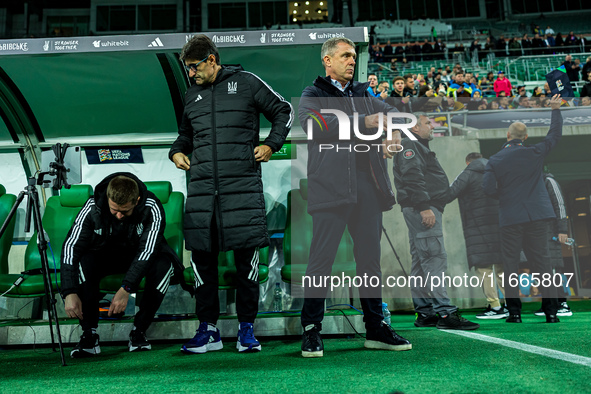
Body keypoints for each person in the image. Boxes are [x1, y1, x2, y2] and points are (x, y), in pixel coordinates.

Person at [169, 34, 293, 354]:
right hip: (201, 195)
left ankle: (246, 330)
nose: (190, 74)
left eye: (194, 67)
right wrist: (177, 152)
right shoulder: (191, 95)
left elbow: (283, 110)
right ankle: (207, 330)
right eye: (186, 69)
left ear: (212, 60)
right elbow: (185, 136)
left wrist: (271, 144)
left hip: (242, 191)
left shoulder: (247, 82)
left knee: (246, 264)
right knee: (202, 264)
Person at [298, 36, 411, 358]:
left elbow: (392, 112)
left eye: (353, 56)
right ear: (328, 61)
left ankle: (375, 328)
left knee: (369, 263)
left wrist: (393, 132)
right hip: (331, 188)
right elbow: (312, 124)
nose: (351, 61)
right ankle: (311, 330)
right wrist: (364, 122)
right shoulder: (313, 94)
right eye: (345, 55)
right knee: (320, 262)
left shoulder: (364, 93)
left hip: (368, 188)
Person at [61, 173, 183, 357]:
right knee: (83, 261)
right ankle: (89, 334)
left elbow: (147, 251)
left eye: (124, 211)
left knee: (163, 265)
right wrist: (69, 291)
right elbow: (71, 247)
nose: (118, 215)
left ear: (137, 201)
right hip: (103, 257)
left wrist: (126, 288)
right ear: (108, 199)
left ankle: (139, 330)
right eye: (114, 210)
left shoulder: (152, 207)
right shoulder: (92, 206)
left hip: (138, 258)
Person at [393, 113, 480, 331]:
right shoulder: (409, 145)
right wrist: (424, 207)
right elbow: (412, 176)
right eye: (427, 123)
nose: (431, 127)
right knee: (434, 260)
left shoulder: (414, 145)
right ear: (414, 128)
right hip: (422, 209)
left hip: (421, 208)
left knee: (422, 263)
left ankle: (425, 313)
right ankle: (446, 313)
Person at [483, 94, 563, 323]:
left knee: (511, 265)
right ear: (525, 137)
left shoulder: (495, 160)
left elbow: (488, 189)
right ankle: (551, 312)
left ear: (507, 136)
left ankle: (515, 313)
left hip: (510, 217)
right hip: (538, 215)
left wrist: (506, 196)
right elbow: (554, 135)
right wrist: (555, 109)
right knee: (543, 263)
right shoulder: (534, 152)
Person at [447, 153, 507, 319]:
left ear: (468, 162)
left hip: (477, 229)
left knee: (484, 269)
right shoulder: (497, 172)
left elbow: (449, 193)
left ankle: (495, 306)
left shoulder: (467, 173)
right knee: (503, 268)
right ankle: (511, 305)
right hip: (501, 225)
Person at [533, 173, 573, 317]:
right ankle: (548, 304)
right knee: (540, 271)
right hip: (537, 234)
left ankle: (562, 303)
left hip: (551, 232)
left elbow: (559, 204)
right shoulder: (529, 182)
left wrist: (562, 230)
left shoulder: (548, 181)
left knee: (554, 268)